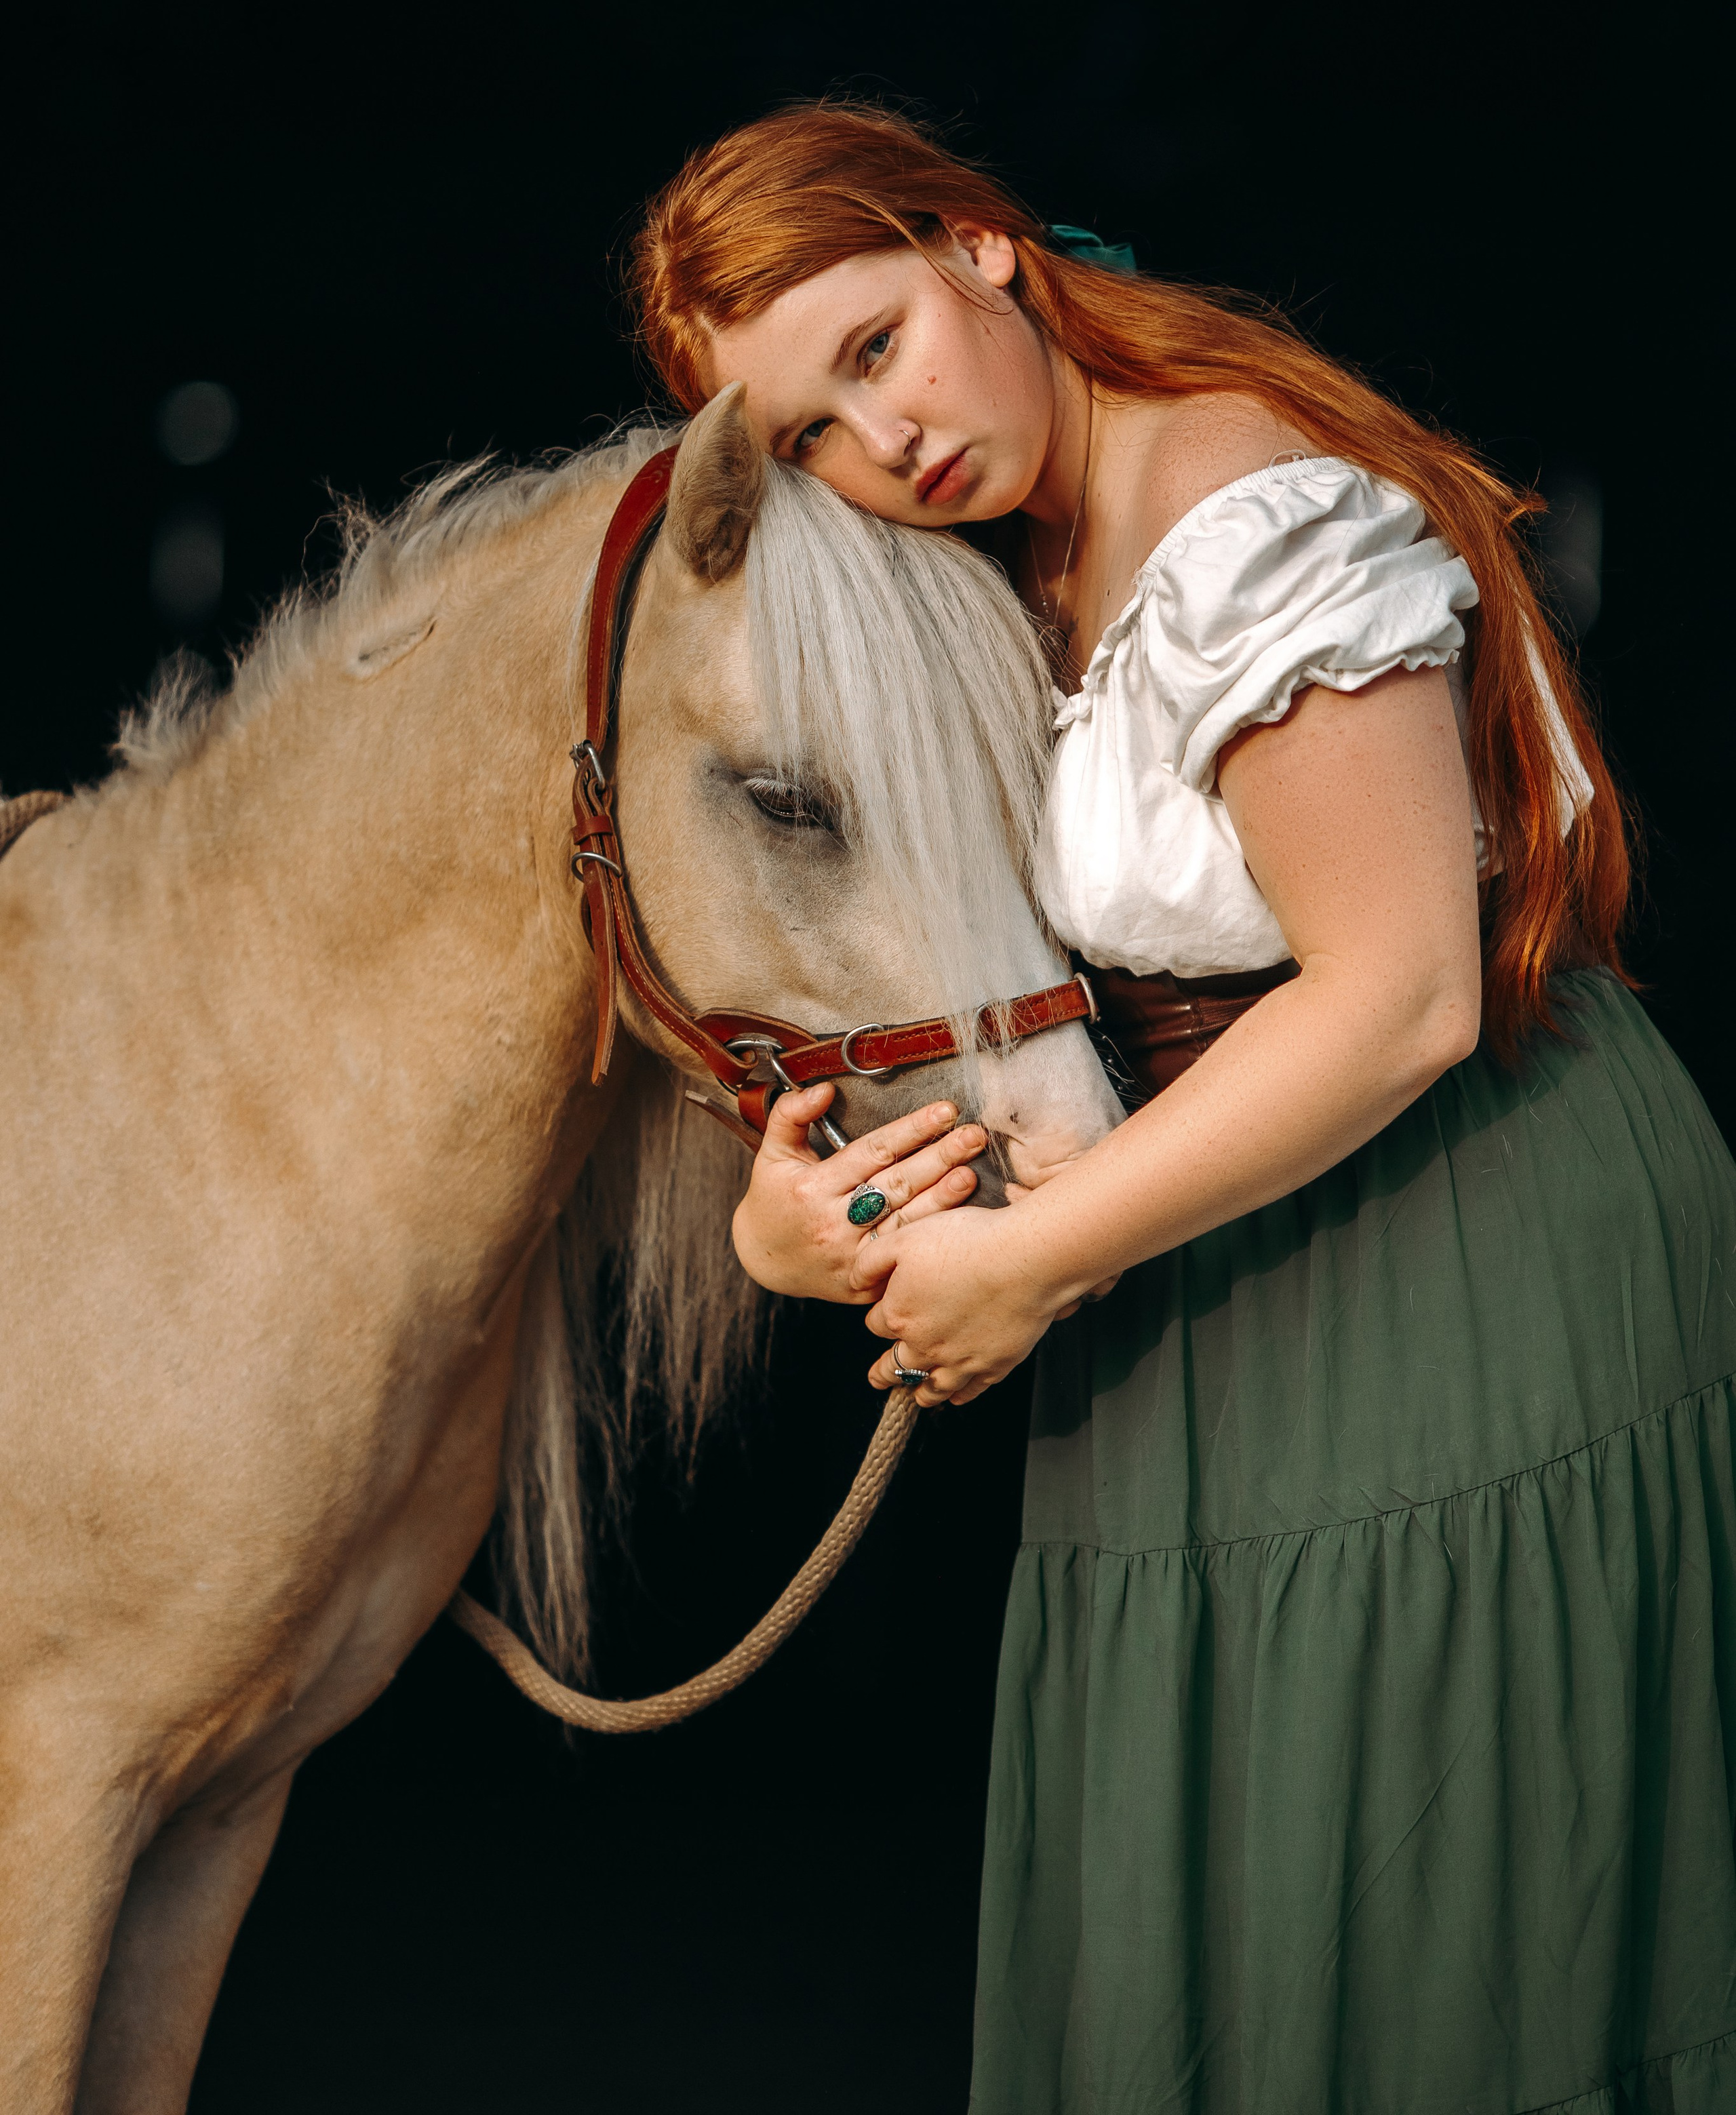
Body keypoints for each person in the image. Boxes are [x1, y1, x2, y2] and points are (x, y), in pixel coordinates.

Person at [625, 102, 1736, 2111]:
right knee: (1241, 1946)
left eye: (873, 348)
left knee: (1447, 1943)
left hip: (1462, 1246)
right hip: (1205, 1273)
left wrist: (1031, 1260)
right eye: (805, 437)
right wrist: (801, 1228)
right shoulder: (990, 566)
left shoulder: (1238, 496)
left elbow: (1394, 993)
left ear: (976, 246)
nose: (883, 445)